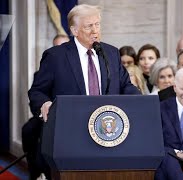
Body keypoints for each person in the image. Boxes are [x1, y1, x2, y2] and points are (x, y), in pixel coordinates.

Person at [27, 4, 140, 179]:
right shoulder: (55, 56)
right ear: (74, 30)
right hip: (71, 137)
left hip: (109, 134)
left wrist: (139, 103)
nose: (95, 30)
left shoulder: (110, 53)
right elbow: (36, 92)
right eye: (89, 26)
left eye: (98, 24)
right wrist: (45, 103)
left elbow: (126, 86)